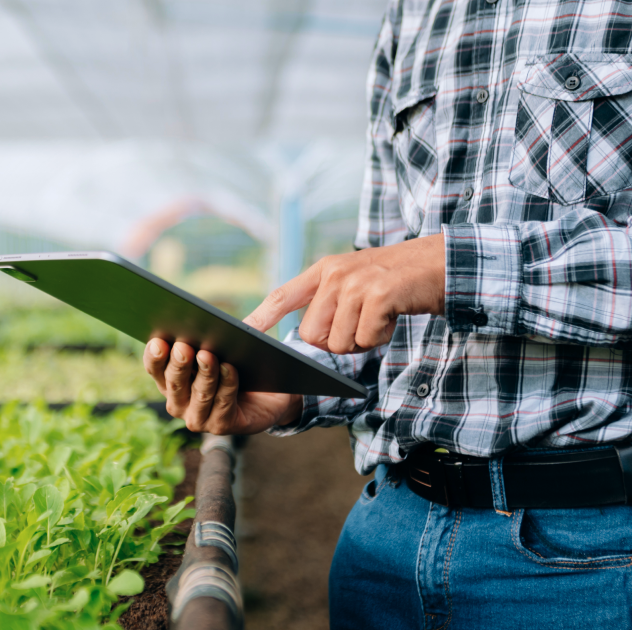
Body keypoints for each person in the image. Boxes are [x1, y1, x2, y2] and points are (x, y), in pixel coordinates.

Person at [143, 1, 632, 627]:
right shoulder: (415, 15)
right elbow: (385, 289)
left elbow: (421, 268)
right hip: (388, 536)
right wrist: (289, 388)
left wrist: (448, 267)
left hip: (591, 551)